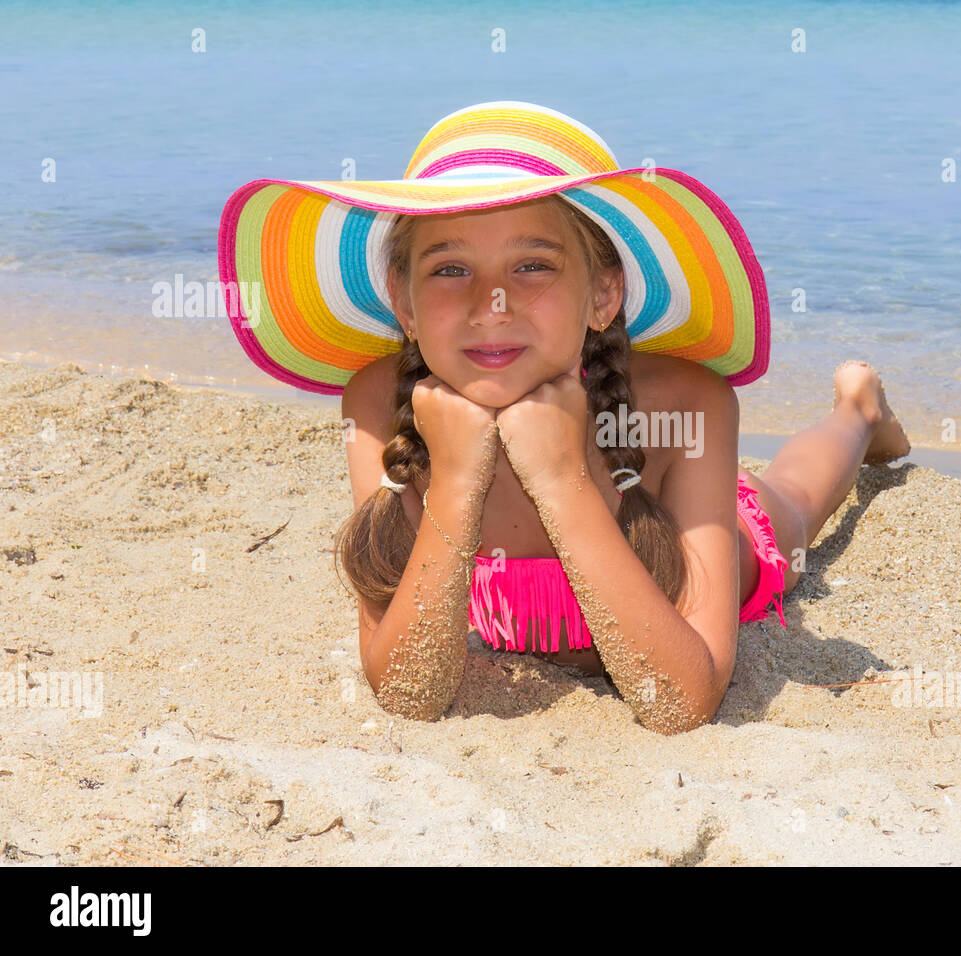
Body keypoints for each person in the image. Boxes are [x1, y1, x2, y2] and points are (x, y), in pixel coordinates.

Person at [218, 101, 909, 735]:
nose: (492, 303)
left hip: (702, 527)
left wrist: (559, 478)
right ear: (402, 300)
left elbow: (681, 702)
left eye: (533, 265)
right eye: (451, 269)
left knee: (791, 498)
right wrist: (456, 482)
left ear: (603, 292)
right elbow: (406, 691)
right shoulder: (381, 403)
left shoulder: (689, 402)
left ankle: (858, 406)